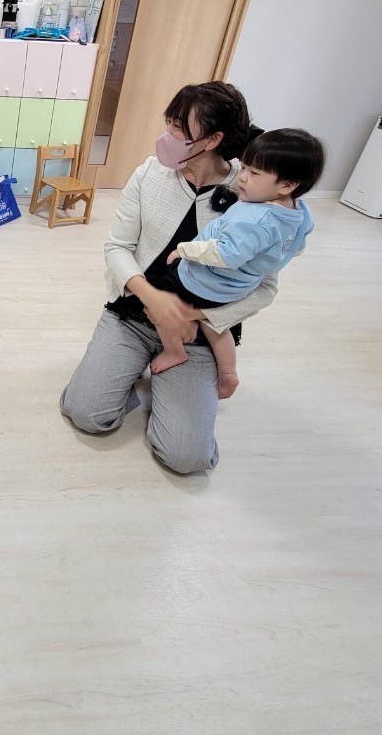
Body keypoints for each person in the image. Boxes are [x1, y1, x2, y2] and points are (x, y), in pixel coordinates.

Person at [60, 81, 278, 474]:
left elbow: (265, 287)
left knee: (187, 458)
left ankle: (170, 381)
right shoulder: (149, 174)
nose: (167, 135)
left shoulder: (253, 194)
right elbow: (117, 248)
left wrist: (198, 316)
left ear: (212, 140)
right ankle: (132, 372)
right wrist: (153, 299)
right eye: (169, 122)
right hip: (133, 315)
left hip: (198, 334)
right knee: (86, 413)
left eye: (179, 128)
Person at [152, 128, 324, 398]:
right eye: (243, 167)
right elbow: (298, 247)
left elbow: (225, 255)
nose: (241, 177)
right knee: (216, 326)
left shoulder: (252, 217)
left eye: (254, 173)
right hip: (238, 287)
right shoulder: (300, 213)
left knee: (158, 306)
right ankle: (228, 373)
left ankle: (174, 351)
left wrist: (184, 250)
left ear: (287, 185)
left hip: (202, 281)